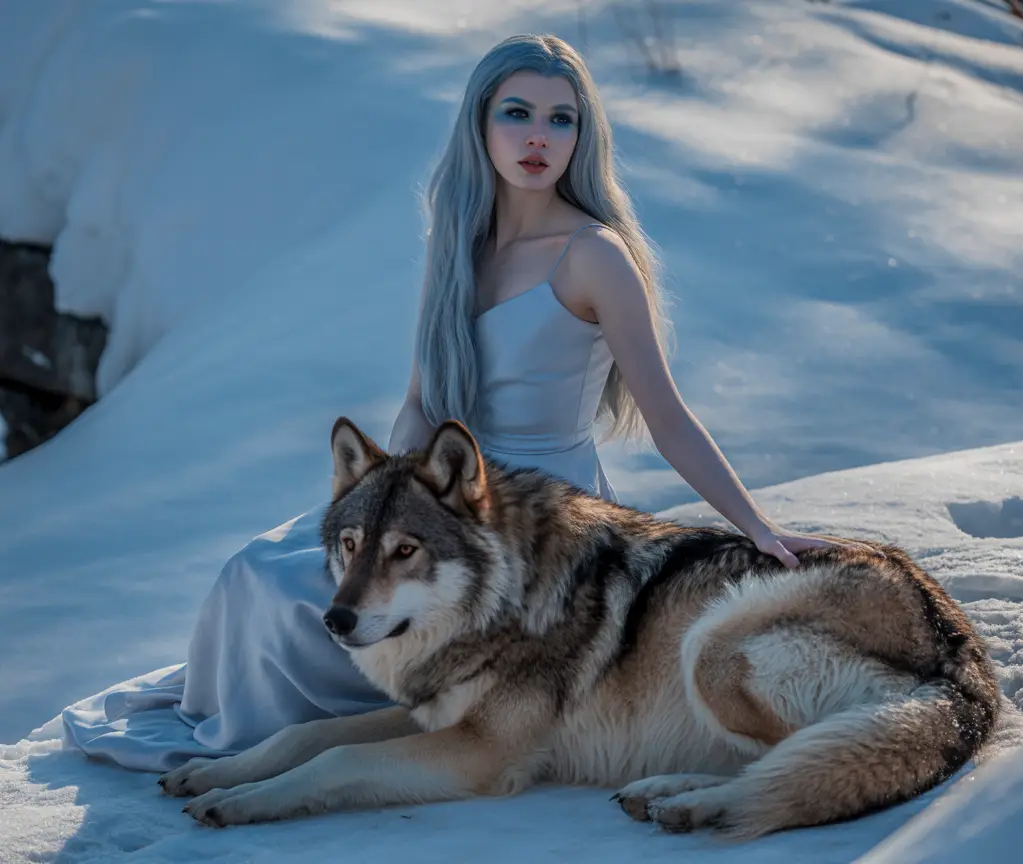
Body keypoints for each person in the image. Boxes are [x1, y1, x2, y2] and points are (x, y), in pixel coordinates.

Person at [61, 33, 859, 773]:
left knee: (292, 599)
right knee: (258, 575)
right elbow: (419, 403)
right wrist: (371, 520)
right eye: (517, 113)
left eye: (561, 118)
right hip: (433, 507)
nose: (538, 136)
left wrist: (758, 529)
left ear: (585, 137)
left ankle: (303, 736)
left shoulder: (594, 256)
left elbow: (669, 414)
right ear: (481, 124)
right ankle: (244, 720)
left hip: (542, 527)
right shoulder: (461, 247)